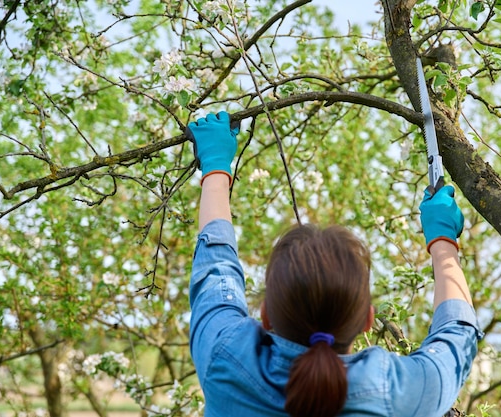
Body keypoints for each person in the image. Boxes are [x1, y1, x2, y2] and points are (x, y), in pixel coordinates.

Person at [187, 111, 483, 417]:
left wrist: (216, 166)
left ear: (265, 315)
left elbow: (216, 268)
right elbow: (456, 336)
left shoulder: (225, 356)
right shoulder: (393, 391)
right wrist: (443, 240)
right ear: (367, 320)